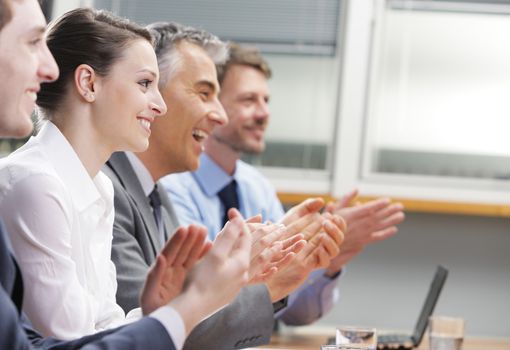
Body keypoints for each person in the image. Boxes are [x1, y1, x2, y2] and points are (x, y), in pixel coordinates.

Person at [0, 1, 251, 349]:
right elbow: (71, 337)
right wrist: (187, 304)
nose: (159, 105)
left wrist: (166, 308)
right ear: (88, 83)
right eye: (145, 83)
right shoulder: (35, 184)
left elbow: (106, 324)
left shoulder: (99, 186)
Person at [104, 21, 345, 349]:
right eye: (204, 94)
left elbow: (181, 311)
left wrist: (277, 255)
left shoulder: (155, 194)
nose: (218, 116)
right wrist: (263, 282)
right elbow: (157, 331)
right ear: (152, 96)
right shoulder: (110, 192)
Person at [163, 43, 406, 324]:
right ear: (212, 103)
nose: (264, 113)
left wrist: (327, 259)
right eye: (248, 100)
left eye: (266, 100)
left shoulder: (257, 187)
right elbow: (200, 305)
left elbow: (291, 313)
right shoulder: (173, 187)